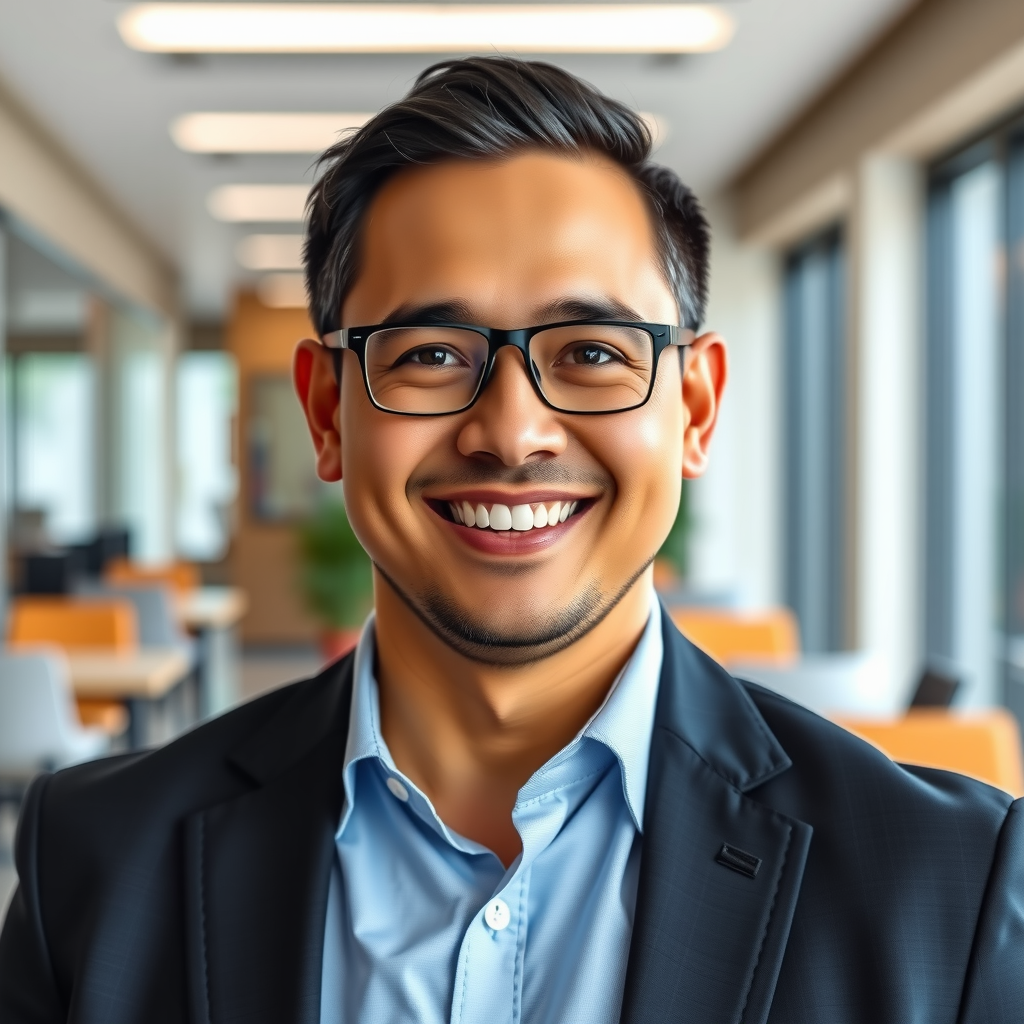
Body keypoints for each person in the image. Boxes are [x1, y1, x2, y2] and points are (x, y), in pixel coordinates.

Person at [1, 56, 1021, 1024]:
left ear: (695, 408)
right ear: (325, 412)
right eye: (432, 353)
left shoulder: (948, 887)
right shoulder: (93, 865)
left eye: (589, 352)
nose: (511, 430)